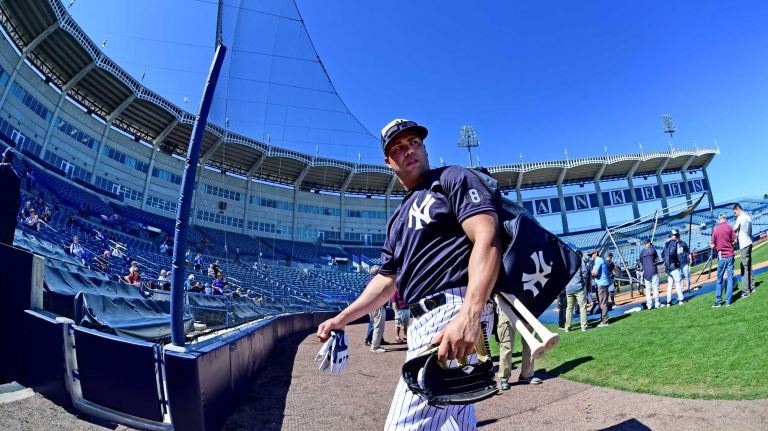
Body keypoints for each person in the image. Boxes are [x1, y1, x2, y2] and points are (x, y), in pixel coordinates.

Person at [317, 119, 500, 430]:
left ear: (425, 148)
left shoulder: (452, 178)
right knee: (455, 422)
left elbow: (487, 237)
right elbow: (386, 281)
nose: (408, 150)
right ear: (389, 162)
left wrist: (471, 312)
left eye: (414, 142)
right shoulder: (397, 219)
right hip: (421, 321)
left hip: (452, 310)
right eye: (398, 148)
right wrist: (342, 318)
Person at [494, 294, 542, 391]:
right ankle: (503, 378)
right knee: (506, 344)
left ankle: (527, 375)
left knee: (531, 343)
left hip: (529, 304)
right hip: (506, 304)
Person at [711, 214, 736, 307]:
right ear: (725, 219)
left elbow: (712, 245)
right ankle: (728, 301)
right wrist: (730, 246)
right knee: (730, 279)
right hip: (730, 255)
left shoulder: (715, 229)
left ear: (719, 220)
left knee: (719, 279)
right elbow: (735, 240)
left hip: (721, 256)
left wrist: (717, 249)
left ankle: (718, 301)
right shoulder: (729, 227)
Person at [564, 251, 589, 332]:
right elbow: (585, 274)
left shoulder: (567, 262)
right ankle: (584, 326)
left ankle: (567, 327)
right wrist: (584, 284)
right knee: (582, 307)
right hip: (579, 287)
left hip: (569, 288)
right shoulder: (581, 262)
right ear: (580, 256)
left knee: (569, 308)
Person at [0, 148, 21, 245]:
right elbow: (18, 201)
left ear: (4, 157)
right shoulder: (16, 176)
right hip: (8, 218)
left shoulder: (2, 167)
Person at [732, 203, 754, 297]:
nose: (734, 214)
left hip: (744, 244)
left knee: (744, 268)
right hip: (749, 242)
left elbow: (734, 230)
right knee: (749, 266)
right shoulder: (748, 217)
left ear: (737, 209)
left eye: (734, 212)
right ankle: (752, 286)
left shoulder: (740, 218)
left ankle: (746, 291)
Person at [662, 230, 685, 306]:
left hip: (668, 268)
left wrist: (667, 265)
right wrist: (676, 262)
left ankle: (668, 302)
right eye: (675, 235)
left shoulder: (666, 245)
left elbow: (663, 256)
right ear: (672, 236)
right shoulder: (674, 243)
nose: (677, 236)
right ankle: (681, 300)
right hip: (673, 267)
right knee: (678, 283)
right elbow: (672, 254)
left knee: (670, 285)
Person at [590, 250, 611, 327]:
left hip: (602, 284)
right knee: (602, 303)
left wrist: (592, 272)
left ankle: (605, 321)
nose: (590, 256)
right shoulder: (598, 260)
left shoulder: (598, 260)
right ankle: (603, 319)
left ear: (595, 254)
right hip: (601, 284)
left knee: (602, 303)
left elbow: (595, 273)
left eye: (591, 254)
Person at [640, 239, 661, 310]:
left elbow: (642, 262)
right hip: (653, 271)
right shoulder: (652, 250)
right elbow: (656, 258)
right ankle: (657, 303)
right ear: (649, 243)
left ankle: (649, 305)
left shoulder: (642, 252)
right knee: (655, 288)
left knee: (648, 290)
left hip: (646, 272)